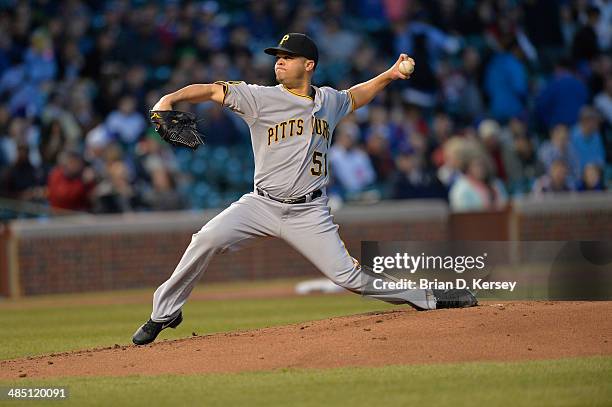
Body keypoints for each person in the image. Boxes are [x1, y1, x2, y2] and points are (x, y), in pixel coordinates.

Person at [132, 33, 477, 346]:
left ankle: (430, 296)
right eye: (277, 56)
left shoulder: (328, 100)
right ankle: (164, 314)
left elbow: (354, 97)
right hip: (260, 204)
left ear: (308, 65)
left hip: (309, 211)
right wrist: (169, 98)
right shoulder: (259, 98)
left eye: (287, 56)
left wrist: (389, 74)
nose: (278, 61)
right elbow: (209, 90)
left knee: (350, 277)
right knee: (204, 240)